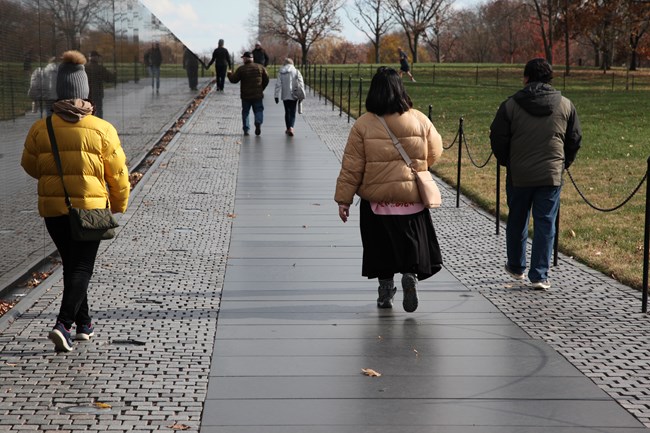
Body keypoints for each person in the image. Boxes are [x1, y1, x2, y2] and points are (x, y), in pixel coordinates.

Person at [21, 50, 130, 352]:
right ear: (84, 91)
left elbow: (30, 166)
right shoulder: (102, 129)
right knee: (81, 268)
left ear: (60, 91)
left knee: (72, 264)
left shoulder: (41, 128)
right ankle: (63, 325)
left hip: (54, 211)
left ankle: (85, 324)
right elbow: (118, 174)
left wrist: (54, 177)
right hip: (91, 210)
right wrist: (119, 205)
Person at [334, 66, 443, 312]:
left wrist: (344, 200)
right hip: (411, 197)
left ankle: (385, 291)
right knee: (410, 244)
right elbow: (435, 151)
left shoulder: (363, 124)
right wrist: (419, 165)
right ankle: (409, 275)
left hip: (377, 201)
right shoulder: (419, 119)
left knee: (380, 247)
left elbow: (352, 166)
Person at [490, 58, 582, 290]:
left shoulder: (510, 105)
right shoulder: (566, 105)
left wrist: (507, 161)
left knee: (517, 218)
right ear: (550, 78)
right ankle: (540, 274)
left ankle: (516, 266)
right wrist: (563, 164)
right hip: (550, 174)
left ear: (526, 77)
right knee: (545, 223)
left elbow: (497, 137)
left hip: (519, 172)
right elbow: (574, 139)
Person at [227, 51, 269, 136]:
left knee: (245, 112)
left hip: (246, 96)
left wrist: (229, 74)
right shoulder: (260, 67)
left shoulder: (241, 69)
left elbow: (234, 80)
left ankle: (246, 129)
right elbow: (266, 79)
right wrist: (261, 88)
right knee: (258, 110)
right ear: (252, 59)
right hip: (257, 95)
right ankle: (258, 122)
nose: (243, 60)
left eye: (243, 58)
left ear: (245, 59)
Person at [274, 58, 305, 136]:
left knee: (287, 111)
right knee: (293, 111)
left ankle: (288, 128)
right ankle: (291, 127)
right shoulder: (296, 71)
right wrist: (302, 94)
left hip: (285, 94)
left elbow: (278, 84)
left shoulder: (281, 72)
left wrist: (276, 95)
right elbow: (301, 83)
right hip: (294, 94)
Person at [86, 50, 115, 118]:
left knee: (87, 111)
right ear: (96, 57)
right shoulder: (100, 68)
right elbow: (109, 79)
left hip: (87, 93)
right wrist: (114, 74)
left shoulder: (84, 67)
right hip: (97, 93)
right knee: (98, 111)